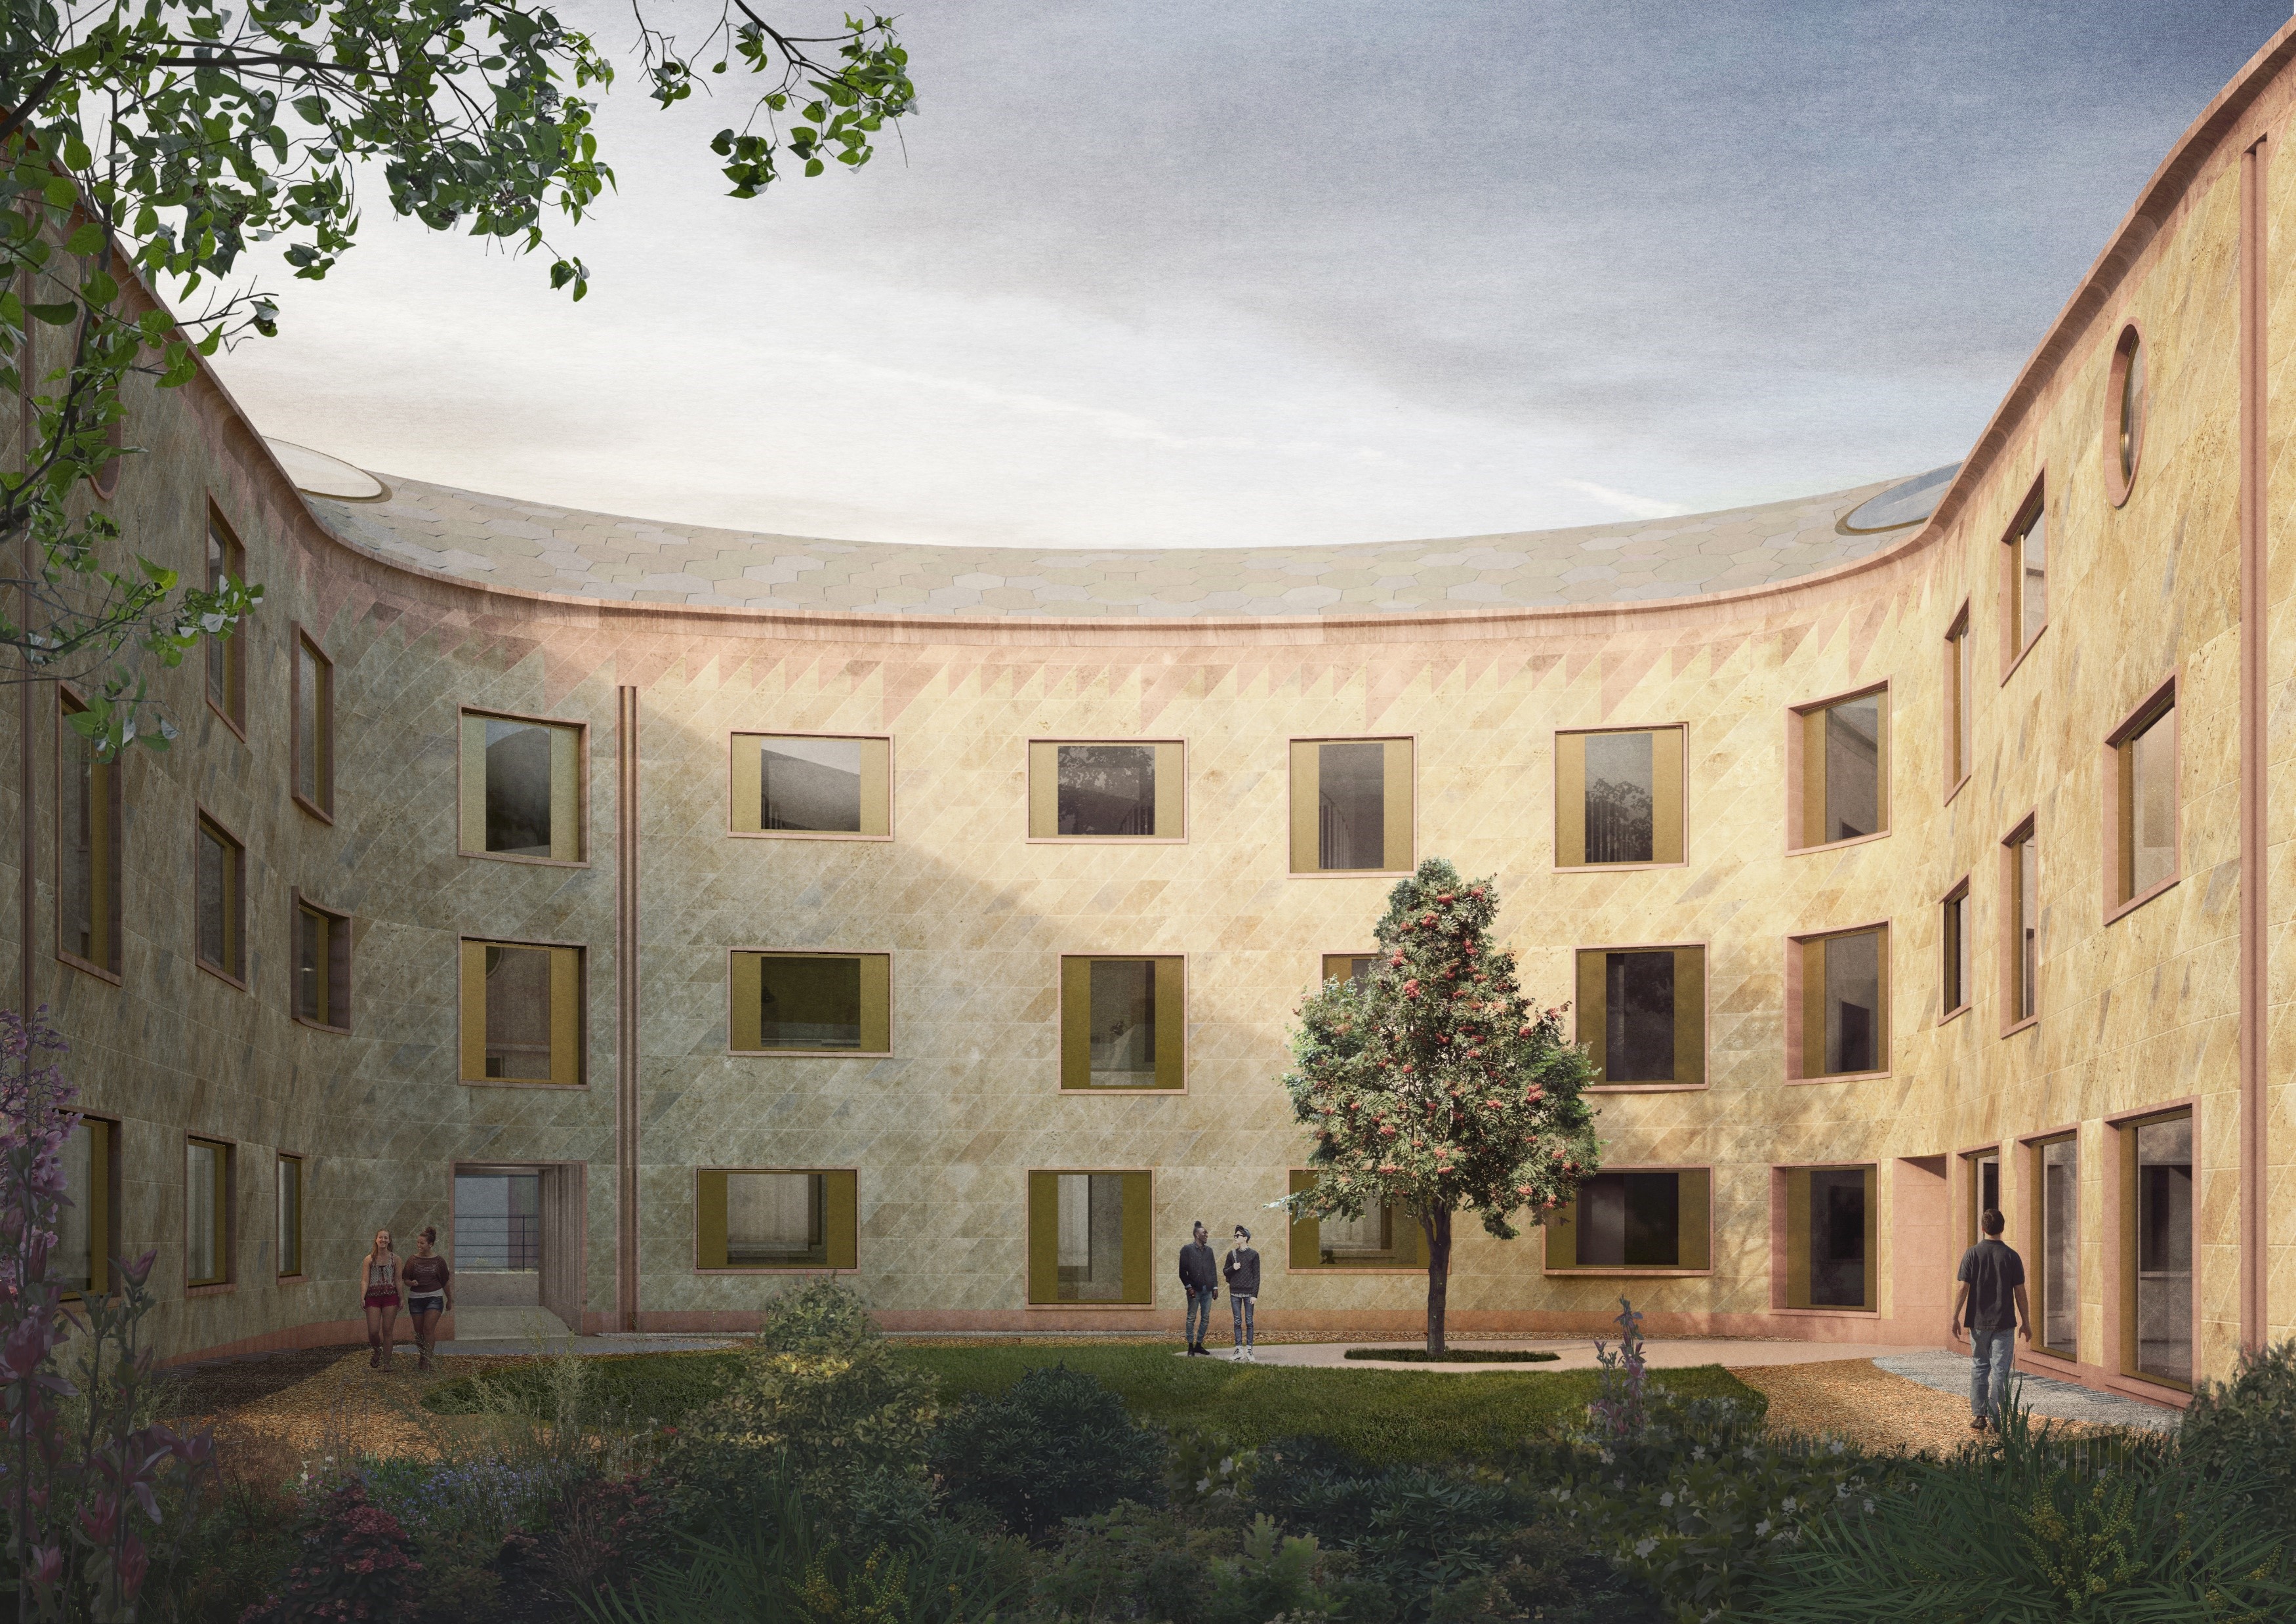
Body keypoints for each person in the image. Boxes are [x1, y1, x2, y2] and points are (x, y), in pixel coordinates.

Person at [1950, 1207, 2032, 1432]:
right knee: (2000, 1370)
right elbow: (2020, 1292)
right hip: (2005, 1323)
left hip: (1978, 1323)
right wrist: (2026, 1321)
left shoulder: (1972, 1254)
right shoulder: (2011, 1256)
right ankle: (1997, 1419)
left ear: (1983, 1228)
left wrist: (1955, 1316)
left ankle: (1979, 1416)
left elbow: (1963, 1287)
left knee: (1979, 1367)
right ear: (2002, 1229)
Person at [402, 1226, 454, 1371]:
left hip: (435, 1298)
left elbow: (445, 1281)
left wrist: (450, 1299)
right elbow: (406, 1278)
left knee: (428, 1329)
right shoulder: (412, 1260)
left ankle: (428, 1360)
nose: (419, 1245)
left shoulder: (439, 1261)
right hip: (416, 1299)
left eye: (422, 1243)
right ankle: (423, 1355)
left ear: (430, 1244)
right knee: (419, 1333)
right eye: (418, 1243)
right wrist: (411, 1283)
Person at [359, 1228, 402, 1371]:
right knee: (373, 1331)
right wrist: (363, 1296)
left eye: (386, 1238)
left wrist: (401, 1298)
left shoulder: (395, 1259)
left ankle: (387, 1363)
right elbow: (365, 1280)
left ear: (389, 1241)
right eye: (380, 1238)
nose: (383, 1240)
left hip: (390, 1296)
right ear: (376, 1240)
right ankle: (377, 1350)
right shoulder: (369, 1259)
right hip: (373, 1297)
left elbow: (398, 1280)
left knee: (388, 1330)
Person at [1179, 1220, 1218, 1356]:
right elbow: (1182, 1272)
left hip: (1207, 1290)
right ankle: (1190, 1346)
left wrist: (1215, 1287)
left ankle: (1199, 1345)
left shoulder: (1209, 1251)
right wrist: (1189, 1288)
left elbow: (1213, 1270)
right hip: (1194, 1291)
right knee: (1191, 1318)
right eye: (1204, 1233)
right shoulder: (1187, 1250)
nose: (1207, 1235)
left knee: (1205, 1318)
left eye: (1206, 1233)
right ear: (1197, 1235)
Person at [1223, 1224, 1261, 1362]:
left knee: (1249, 1321)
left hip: (1249, 1293)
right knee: (1237, 1321)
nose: (1235, 1238)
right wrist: (1233, 1267)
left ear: (1245, 1238)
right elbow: (1225, 1271)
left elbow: (1257, 1276)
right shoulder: (1231, 1254)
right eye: (1235, 1236)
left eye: (1237, 1236)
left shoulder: (1254, 1255)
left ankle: (1249, 1350)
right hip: (1235, 1293)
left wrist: (1255, 1294)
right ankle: (1239, 1350)